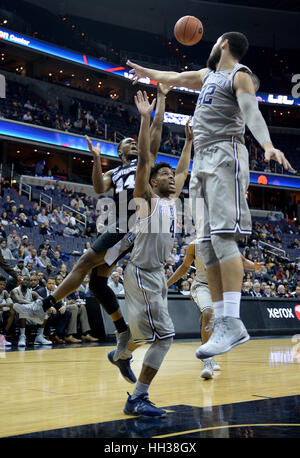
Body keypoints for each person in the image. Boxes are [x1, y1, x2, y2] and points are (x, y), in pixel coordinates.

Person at [126, 32, 294, 359]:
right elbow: (172, 77)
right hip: (202, 158)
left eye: (214, 41)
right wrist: (145, 71)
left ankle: (232, 320)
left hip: (224, 154)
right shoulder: (207, 76)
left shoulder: (239, 74)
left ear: (224, 45)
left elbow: (251, 110)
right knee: (205, 243)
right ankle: (221, 322)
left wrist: (268, 145)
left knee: (222, 237)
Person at [15, 83, 171, 361]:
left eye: (135, 141)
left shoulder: (145, 162)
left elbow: (156, 130)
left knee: (85, 261)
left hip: (132, 222)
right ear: (120, 152)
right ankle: (123, 332)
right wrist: (97, 160)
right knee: (97, 285)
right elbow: (99, 187)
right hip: (120, 221)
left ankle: (44, 306)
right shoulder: (116, 171)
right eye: (129, 143)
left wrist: (160, 99)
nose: (134, 143)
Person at [108, 90, 192, 417]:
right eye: (166, 175)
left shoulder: (170, 200)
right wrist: (145, 119)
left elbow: (183, 168)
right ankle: (137, 397)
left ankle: (121, 354)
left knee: (149, 335)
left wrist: (187, 142)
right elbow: (144, 158)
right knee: (165, 336)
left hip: (156, 276)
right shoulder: (146, 198)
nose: (172, 177)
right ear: (154, 181)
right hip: (141, 272)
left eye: (173, 175)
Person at [167, 241, 263, 379]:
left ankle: (209, 347)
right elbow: (184, 267)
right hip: (202, 285)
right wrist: (166, 284)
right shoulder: (194, 245)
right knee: (208, 313)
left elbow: (242, 261)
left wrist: (254, 266)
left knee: (212, 320)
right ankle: (207, 360)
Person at [11, 276, 52, 347]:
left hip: (29, 317)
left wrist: (48, 306)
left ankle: (39, 336)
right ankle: (22, 337)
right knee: (22, 309)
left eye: (28, 280)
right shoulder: (15, 291)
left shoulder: (32, 292)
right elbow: (18, 300)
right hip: (16, 317)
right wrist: (33, 304)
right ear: (20, 281)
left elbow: (43, 301)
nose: (26, 281)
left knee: (45, 312)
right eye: (24, 280)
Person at [38, 277, 71, 344]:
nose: (51, 285)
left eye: (53, 283)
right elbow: (39, 303)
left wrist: (62, 306)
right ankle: (46, 335)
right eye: (49, 283)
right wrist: (49, 307)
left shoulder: (55, 292)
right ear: (46, 284)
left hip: (54, 313)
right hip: (42, 312)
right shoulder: (40, 291)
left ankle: (55, 334)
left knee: (67, 313)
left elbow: (58, 302)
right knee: (48, 312)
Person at [0, 275, 15, 346]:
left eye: (3, 285)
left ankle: (3, 337)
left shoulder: (5, 292)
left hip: (1, 312)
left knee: (11, 312)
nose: (2, 286)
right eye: (0, 284)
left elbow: (11, 304)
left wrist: (2, 306)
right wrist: (5, 305)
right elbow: (7, 305)